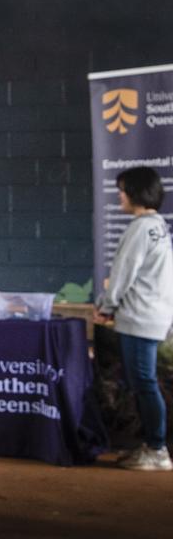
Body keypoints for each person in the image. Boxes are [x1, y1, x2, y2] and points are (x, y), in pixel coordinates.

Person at [95, 166, 173, 472]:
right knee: (143, 383)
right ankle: (151, 445)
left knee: (144, 382)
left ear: (137, 192)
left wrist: (106, 305)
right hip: (151, 316)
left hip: (140, 318)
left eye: (123, 189)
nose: (120, 195)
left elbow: (122, 274)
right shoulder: (157, 226)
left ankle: (157, 448)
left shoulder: (141, 228)